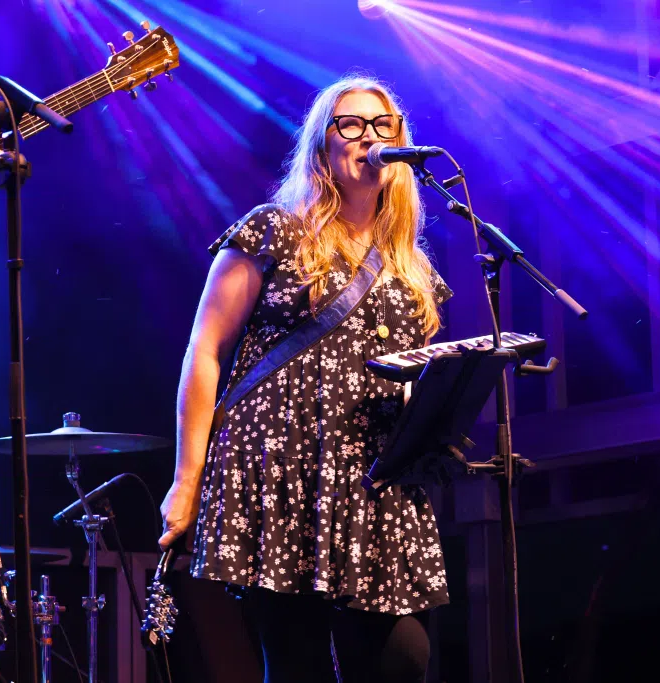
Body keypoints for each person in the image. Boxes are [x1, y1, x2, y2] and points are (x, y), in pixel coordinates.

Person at [159, 75, 451, 682]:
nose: (369, 136)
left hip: (371, 485)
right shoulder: (274, 230)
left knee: (404, 657)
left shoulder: (413, 268)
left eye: (383, 125)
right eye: (352, 124)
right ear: (324, 144)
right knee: (298, 665)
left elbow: (411, 382)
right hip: (278, 470)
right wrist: (186, 481)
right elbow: (204, 351)